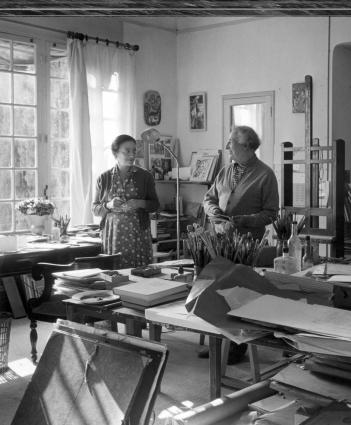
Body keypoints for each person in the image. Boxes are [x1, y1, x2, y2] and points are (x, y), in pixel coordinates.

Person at [201, 125, 279, 363]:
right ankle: (218, 344)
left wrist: (240, 221)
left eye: (231, 143)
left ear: (246, 146)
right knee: (216, 295)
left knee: (238, 297)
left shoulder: (265, 174)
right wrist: (214, 212)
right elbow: (209, 198)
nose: (227, 147)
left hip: (246, 245)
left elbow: (271, 214)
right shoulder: (226, 170)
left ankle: (237, 347)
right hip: (220, 242)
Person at [92, 134, 160, 268]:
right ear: (115, 153)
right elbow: (95, 209)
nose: (132, 155)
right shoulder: (104, 178)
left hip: (138, 233)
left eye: (134, 151)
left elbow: (155, 205)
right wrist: (109, 205)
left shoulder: (145, 176)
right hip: (113, 234)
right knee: (116, 275)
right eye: (127, 151)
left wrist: (140, 203)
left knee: (140, 275)